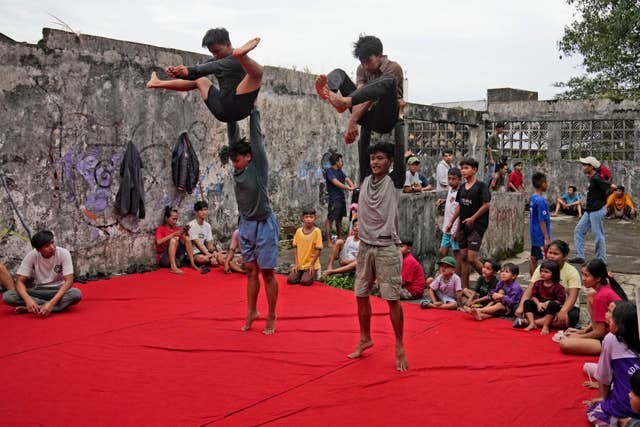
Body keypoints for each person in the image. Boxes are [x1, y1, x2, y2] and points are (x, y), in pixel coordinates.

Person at [348, 141, 408, 371]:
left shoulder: (395, 182)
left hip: (386, 249)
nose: (374, 161)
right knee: (360, 295)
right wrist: (364, 114)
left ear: (390, 161)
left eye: (380, 158)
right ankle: (365, 338)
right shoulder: (365, 179)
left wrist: (399, 117)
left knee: (392, 299)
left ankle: (399, 344)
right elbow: (363, 147)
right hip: (365, 246)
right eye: (372, 158)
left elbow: (400, 155)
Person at [314, 35, 405, 182]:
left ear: (380, 56)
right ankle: (329, 93)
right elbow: (361, 94)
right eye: (362, 62)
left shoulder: (392, 68)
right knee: (339, 74)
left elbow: (371, 97)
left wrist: (352, 120)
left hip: (385, 117)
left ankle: (342, 103)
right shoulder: (362, 69)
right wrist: (353, 117)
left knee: (387, 83)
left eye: (368, 61)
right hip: (364, 111)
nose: (365, 66)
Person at [226, 108, 279, 335]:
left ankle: (272, 314)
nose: (234, 164)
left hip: (265, 223)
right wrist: (229, 108)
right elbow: (233, 136)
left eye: (237, 160)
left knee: (267, 273)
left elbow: (255, 138)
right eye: (232, 160)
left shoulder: (258, 168)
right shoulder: (238, 167)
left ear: (249, 157)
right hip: (246, 224)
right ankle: (252, 311)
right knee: (250, 271)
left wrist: (254, 108)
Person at [146, 28, 262, 125]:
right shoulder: (217, 59)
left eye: (217, 51)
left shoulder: (233, 61)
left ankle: (243, 56)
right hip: (223, 108)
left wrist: (188, 71)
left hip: (240, 106)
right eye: (212, 52)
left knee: (256, 74)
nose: (215, 55)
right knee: (200, 80)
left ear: (228, 44)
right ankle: (158, 83)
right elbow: (199, 71)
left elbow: (210, 67)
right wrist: (178, 72)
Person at [583, 301, 640, 426]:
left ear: (621, 324)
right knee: (589, 367)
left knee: (593, 412)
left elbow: (604, 376)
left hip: (625, 408)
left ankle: (623, 422)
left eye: (612, 314)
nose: (607, 315)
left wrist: (603, 399)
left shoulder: (611, 339)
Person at [3, 230, 82, 316]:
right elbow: (19, 282)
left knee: (76, 294)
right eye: (47, 246)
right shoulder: (32, 255)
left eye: (52, 243)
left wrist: (51, 303)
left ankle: (39, 307)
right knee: (8, 296)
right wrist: (28, 300)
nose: (52, 247)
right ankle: (50, 307)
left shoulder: (64, 253)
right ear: (38, 250)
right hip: (39, 290)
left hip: (58, 290)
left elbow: (69, 281)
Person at [559, 259, 627, 356]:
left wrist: (578, 337)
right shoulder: (606, 287)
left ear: (598, 278)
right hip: (610, 332)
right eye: (582, 274)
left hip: (617, 340)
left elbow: (600, 332)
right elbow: (601, 320)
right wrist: (583, 331)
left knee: (565, 344)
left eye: (586, 275)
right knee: (590, 295)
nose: (583, 278)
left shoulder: (601, 296)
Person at [446, 157, 491, 289]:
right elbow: (460, 207)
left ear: (474, 170)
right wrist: (453, 224)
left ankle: (489, 280)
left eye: (466, 168)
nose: (463, 171)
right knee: (464, 257)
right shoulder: (462, 188)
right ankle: (464, 287)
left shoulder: (481, 186)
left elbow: (486, 205)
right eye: (462, 168)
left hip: (477, 226)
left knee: (471, 258)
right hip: (463, 227)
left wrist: (473, 218)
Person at [516, 240, 582, 329]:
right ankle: (542, 322)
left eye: (555, 254)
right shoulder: (542, 267)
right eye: (550, 252)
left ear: (564, 256)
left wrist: (563, 310)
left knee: (572, 317)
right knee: (523, 304)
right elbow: (530, 289)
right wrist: (521, 307)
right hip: (542, 305)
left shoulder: (572, 272)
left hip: (561, 305)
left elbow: (572, 296)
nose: (551, 256)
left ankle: (529, 322)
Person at [570, 156, 610, 264]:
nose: (582, 167)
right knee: (579, 230)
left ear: (591, 167)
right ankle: (580, 256)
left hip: (596, 210)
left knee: (598, 235)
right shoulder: (592, 178)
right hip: (590, 210)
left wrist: (602, 202)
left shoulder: (597, 178)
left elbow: (609, 186)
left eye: (584, 165)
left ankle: (601, 260)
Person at [514, 260, 566, 335]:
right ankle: (532, 323)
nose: (542, 273)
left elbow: (560, 300)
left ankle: (546, 326)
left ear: (554, 274)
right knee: (527, 302)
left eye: (546, 272)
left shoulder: (558, 287)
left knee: (553, 304)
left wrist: (548, 303)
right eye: (541, 271)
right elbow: (534, 296)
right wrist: (538, 304)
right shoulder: (538, 283)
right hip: (539, 306)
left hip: (550, 308)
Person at [155, 206, 200, 274]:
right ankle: (173, 267)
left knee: (187, 238)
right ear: (166, 218)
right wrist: (173, 234)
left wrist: (185, 232)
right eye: (173, 219)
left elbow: (184, 242)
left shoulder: (177, 229)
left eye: (176, 219)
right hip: (164, 259)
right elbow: (158, 242)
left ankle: (192, 263)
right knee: (174, 240)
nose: (175, 221)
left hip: (177, 258)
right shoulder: (161, 229)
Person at [324, 153, 356, 247]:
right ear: (337, 161)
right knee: (330, 219)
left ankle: (339, 237)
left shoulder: (340, 171)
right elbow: (336, 182)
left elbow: (347, 179)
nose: (342, 163)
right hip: (334, 199)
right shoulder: (330, 171)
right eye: (341, 161)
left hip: (341, 198)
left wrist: (353, 187)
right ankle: (329, 241)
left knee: (339, 219)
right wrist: (349, 188)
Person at [288, 208, 323, 286]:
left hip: (311, 264)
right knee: (291, 280)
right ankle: (301, 273)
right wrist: (296, 263)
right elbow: (295, 247)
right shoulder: (298, 231)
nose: (309, 219)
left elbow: (318, 249)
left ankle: (311, 273)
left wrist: (312, 264)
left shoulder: (317, 231)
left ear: (315, 218)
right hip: (300, 264)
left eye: (311, 217)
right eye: (306, 217)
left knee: (305, 282)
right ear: (302, 218)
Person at [436, 167, 462, 270]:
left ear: (459, 179)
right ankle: (443, 273)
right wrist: (444, 200)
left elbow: (461, 211)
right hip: (447, 227)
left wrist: (457, 230)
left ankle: (457, 276)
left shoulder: (461, 191)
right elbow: (452, 202)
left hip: (455, 228)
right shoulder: (450, 189)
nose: (450, 181)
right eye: (449, 178)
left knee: (457, 253)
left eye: (453, 179)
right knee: (442, 252)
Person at [529, 172, 551, 276]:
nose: (547, 185)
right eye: (546, 183)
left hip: (534, 233)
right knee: (546, 260)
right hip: (540, 235)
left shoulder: (533, 198)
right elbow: (542, 220)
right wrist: (546, 237)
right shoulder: (541, 201)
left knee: (533, 258)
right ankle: (539, 282)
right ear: (543, 184)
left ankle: (532, 282)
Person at [188, 201, 220, 268]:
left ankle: (212, 260)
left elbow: (209, 244)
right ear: (196, 212)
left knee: (220, 256)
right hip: (194, 253)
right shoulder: (191, 225)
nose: (204, 212)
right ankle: (209, 261)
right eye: (201, 210)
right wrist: (210, 256)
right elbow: (198, 244)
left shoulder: (207, 225)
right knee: (203, 259)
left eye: (205, 210)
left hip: (205, 252)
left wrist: (214, 252)